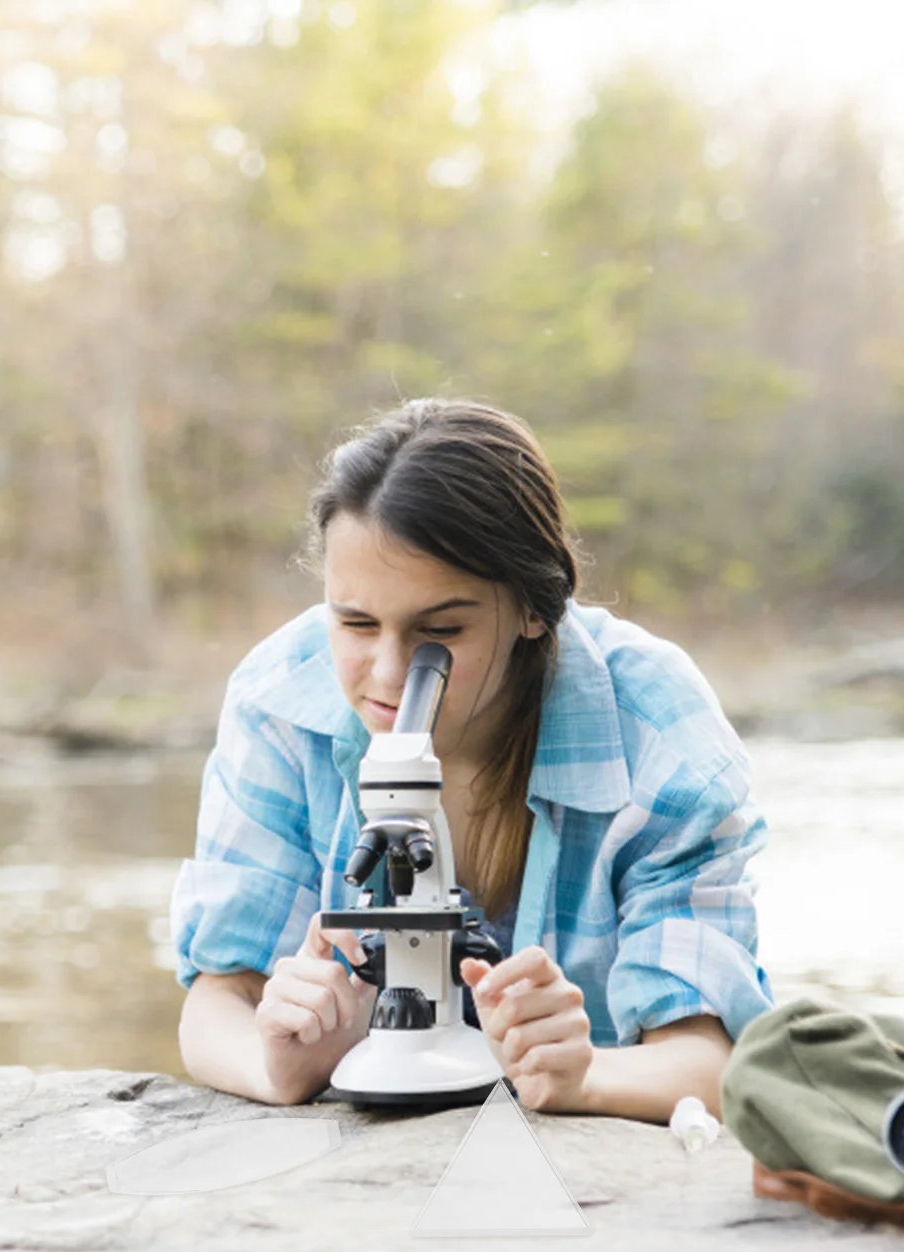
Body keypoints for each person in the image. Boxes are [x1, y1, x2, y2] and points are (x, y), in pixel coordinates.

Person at [172, 398, 771, 1123]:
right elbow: (219, 996)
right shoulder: (279, 700)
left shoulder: (660, 731)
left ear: (533, 608)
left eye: (441, 629)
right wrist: (275, 1062)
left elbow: (708, 1058)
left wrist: (586, 1078)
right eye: (355, 622)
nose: (389, 673)